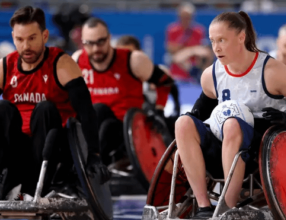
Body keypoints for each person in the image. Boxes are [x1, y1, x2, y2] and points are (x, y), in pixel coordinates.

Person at [175, 11, 286, 219]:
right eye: (212, 41)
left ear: (241, 37)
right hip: (221, 146)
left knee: (232, 125)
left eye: (222, 40)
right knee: (183, 123)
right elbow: (199, 112)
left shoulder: (270, 70)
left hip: (258, 150)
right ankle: (204, 207)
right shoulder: (211, 74)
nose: (216, 47)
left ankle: (227, 207)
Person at [0, 6, 109, 199]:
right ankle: (10, 181)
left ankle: (34, 187)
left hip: (53, 149)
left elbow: (86, 112)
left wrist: (94, 155)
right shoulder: (5, 66)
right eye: (20, 39)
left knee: (45, 108)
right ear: (13, 37)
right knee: (3, 108)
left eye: (32, 38)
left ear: (45, 35)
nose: (25, 46)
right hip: (17, 150)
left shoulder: (62, 64)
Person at [72, 18, 174, 166]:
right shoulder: (76, 60)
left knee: (100, 113)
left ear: (109, 38)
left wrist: (159, 109)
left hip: (126, 130)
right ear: (82, 42)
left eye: (100, 42)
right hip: (90, 128)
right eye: (89, 43)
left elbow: (165, 81)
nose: (95, 49)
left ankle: (91, 168)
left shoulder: (133, 60)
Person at [116, 35, 180, 137]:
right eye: (122, 54)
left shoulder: (155, 72)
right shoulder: (115, 76)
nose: (125, 59)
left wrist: (162, 111)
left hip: (153, 121)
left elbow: (168, 82)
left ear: (139, 53)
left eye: (129, 54)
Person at [166, 2, 213, 82]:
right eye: (183, 17)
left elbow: (202, 51)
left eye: (188, 17)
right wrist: (191, 50)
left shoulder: (199, 30)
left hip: (195, 64)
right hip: (179, 65)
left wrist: (188, 50)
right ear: (179, 17)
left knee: (207, 54)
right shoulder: (172, 30)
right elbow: (171, 49)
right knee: (178, 58)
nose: (186, 20)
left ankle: (203, 78)